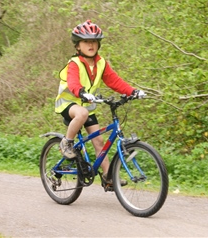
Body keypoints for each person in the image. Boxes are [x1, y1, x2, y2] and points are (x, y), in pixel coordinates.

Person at [55, 19, 145, 183]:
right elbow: (73, 82)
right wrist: (81, 92)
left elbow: (114, 81)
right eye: (86, 41)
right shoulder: (74, 63)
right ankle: (66, 143)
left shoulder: (101, 63)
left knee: (99, 141)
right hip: (68, 103)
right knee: (81, 113)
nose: (91, 45)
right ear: (77, 46)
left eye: (94, 41)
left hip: (87, 105)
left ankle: (108, 177)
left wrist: (133, 91)